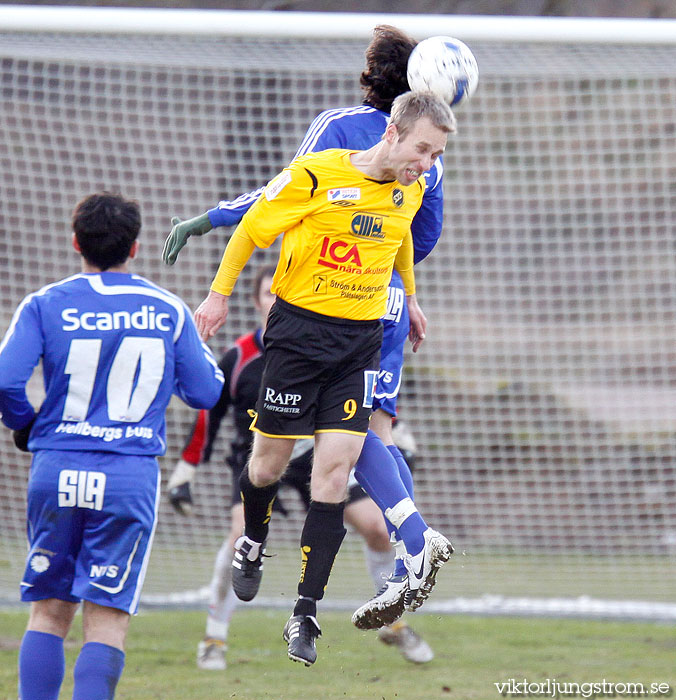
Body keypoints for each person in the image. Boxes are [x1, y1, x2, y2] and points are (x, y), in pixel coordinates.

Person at [162, 25, 454, 633]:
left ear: (376, 74)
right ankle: (409, 544)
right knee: (366, 427)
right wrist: (406, 292)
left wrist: (210, 218)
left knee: (331, 439)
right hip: (385, 304)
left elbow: (281, 194)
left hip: (327, 308)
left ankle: (412, 543)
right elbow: (420, 240)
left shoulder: (344, 129)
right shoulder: (430, 159)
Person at [0, 193, 224, 700]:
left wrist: (28, 425)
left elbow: (6, 382)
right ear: (137, 247)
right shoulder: (167, 309)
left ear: (76, 242)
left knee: (50, 611)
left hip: (56, 468)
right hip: (127, 477)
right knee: (106, 621)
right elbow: (207, 391)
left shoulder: (44, 303)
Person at [166, 264, 434, 669]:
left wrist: (397, 436)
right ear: (257, 301)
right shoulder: (240, 356)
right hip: (260, 454)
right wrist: (185, 473)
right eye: (267, 294)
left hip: (318, 452)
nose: (275, 299)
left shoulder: (330, 346)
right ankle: (214, 636)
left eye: (280, 292)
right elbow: (209, 414)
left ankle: (390, 620)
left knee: (378, 526)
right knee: (239, 534)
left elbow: (364, 396)